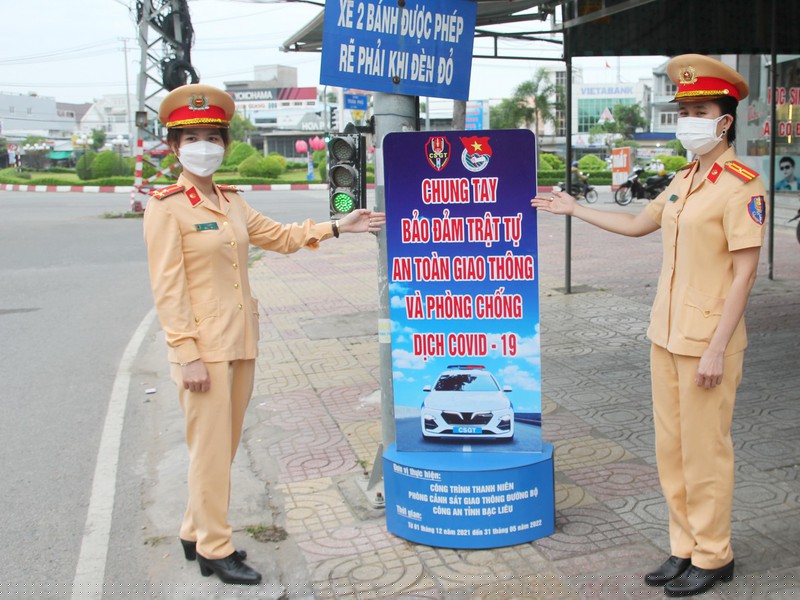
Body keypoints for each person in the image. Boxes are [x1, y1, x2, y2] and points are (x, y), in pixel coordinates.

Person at [532, 54, 766, 597]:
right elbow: (638, 224)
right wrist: (573, 209)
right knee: (672, 448)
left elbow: (745, 274)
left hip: (709, 340)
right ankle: (684, 547)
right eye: (683, 109)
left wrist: (716, 347)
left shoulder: (742, 185)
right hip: (666, 333)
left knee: (706, 451)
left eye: (699, 109)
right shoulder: (687, 179)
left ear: (724, 119)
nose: (688, 119)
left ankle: (715, 553)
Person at [143, 83, 385, 585]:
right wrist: (185, 354)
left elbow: (279, 237)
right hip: (202, 352)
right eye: (191, 138)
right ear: (174, 147)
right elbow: (168, 290)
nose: (203, 146)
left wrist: (340, 225)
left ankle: (193, 528)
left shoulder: (230, 201)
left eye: (212, 136)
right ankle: (215, 548)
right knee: (209, 451)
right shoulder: (166, 207)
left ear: (225, 144)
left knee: (222, 449)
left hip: (240, 342)